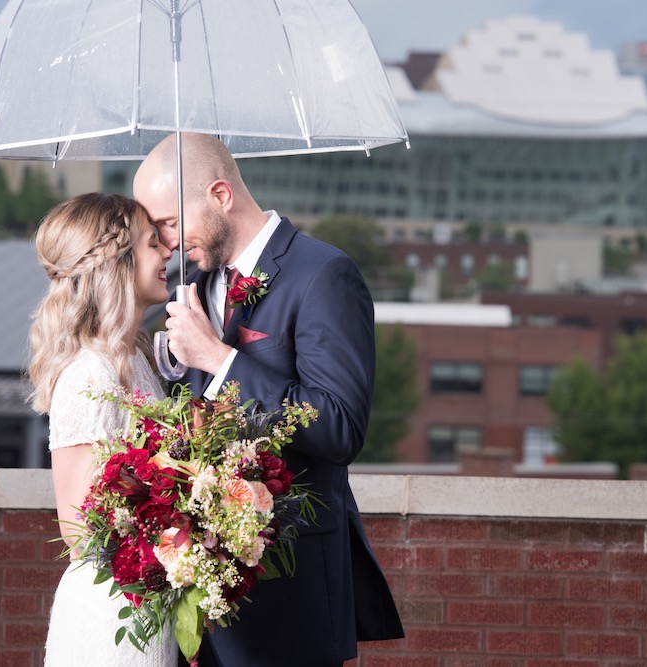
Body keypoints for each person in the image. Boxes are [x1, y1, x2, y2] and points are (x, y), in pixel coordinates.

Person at [133, 133, 404, 667]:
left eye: (168, 222)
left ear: (220, 195)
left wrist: (220, 359)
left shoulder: (324, 275)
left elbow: (340, 426)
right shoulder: (189, 282)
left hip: (291, 594)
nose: (165, 242)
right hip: (197, 602)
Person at [28, 192, 178, 667]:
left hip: (146, 604)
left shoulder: (134, 360)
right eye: (154, 242)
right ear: (118, 261)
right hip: (112, 613)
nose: (168, 251)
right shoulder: (91, 373)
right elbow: (81, 532)